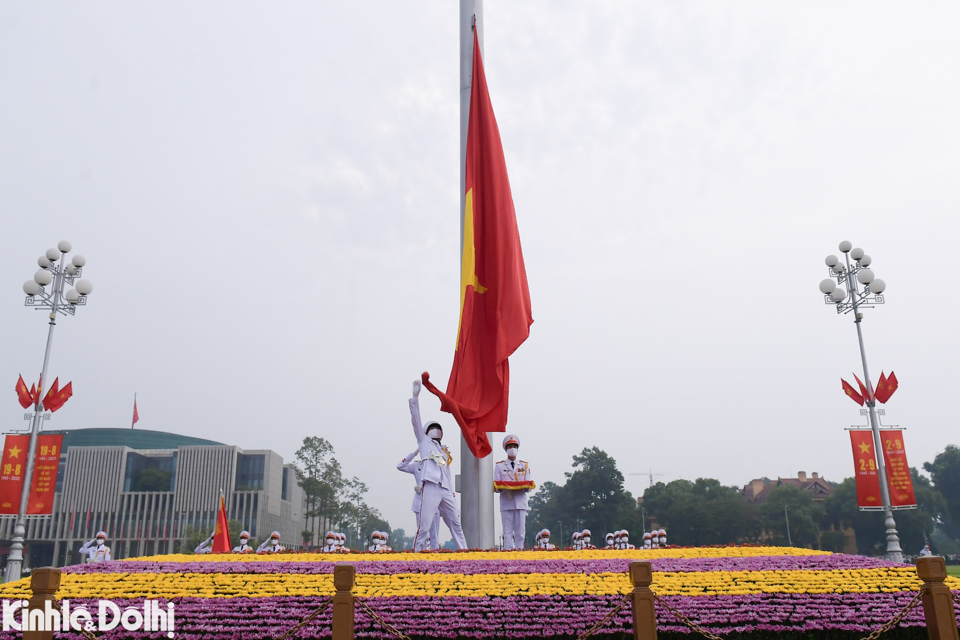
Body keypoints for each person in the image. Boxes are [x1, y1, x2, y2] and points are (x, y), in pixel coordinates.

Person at [409, 379, 467, 551]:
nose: (437, 430)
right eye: (433, 427)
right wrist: (415, 397)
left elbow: (447, 472)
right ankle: (418, 554)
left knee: (456, 524)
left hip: (445, 489)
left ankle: (464, 553)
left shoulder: (443, 451)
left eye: (438, 427)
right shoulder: (424, 442)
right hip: (431, 487)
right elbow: (415, 420)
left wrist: (451, 492)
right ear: (426, 431)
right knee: (424, 526)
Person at [493, 435, 535, 550]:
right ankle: (508, 552)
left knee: (520, 531)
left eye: (514, 446)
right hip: (506, 501)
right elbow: (496, 486)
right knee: (507, 531)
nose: (512, 448)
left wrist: (521, 486)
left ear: (517, 448)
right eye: (510, 446)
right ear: (506, 449)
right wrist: (506, 487)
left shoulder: (524, 465)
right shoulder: (499, 466)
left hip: (520, 501)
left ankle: (519, 551)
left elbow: (528, 486)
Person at [398, 449, 442, 550]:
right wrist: (414, 453)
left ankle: (435, 553)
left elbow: (445, 471)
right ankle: (418, 553)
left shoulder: (437, 464)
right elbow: (400, 466)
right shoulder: (416, 466)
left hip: (434, 500)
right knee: (421, 531)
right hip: (420, 501)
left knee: (434, 532)